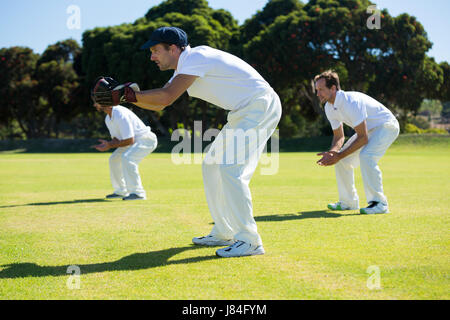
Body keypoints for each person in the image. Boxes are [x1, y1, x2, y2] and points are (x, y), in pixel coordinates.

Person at [92, 26, 282, 258]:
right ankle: (224, 231)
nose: (151, 57)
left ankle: (249, 240)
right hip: (244, 111)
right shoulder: (185, 67)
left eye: (155, 50)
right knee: (212, 165)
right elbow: (161, 103)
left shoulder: (195, 56)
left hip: (259, 105)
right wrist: (125, 98)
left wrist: (128, 96)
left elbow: (166, 96)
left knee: (230, 169)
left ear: (173, 48)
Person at [314, 70, 400, 214]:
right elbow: (338, 136)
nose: (318, 94)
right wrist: (333, 153)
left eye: (321, 90)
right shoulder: (329, 107)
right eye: (317, 90)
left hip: (387, 125)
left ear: (333, 88)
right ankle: (348, 202)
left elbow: (363, 138)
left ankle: (379, 203)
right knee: (342, 160)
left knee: (366, 156)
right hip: (369, 130)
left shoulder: (350, 101)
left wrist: (338, 155)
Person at [91, 99, 158, 201]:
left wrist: (110, 145)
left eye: (97, 102)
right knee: (114, 159)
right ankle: (121, 191)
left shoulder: (119, 113)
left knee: (128, 158)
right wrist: (108, 145)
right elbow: (117, 139)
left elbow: (129, 140)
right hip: (133, 141)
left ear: (105, 102)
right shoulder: (108, 119)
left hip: (146, 139)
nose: (94, 105)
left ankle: (138, 193)